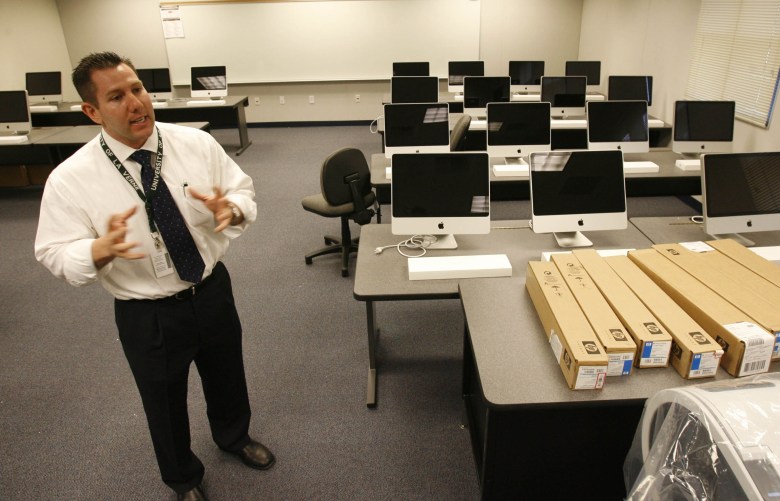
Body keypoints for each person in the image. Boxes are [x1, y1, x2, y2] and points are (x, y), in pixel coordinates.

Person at [34, 52, 273, 501]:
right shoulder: (70, 179)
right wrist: (96, 251)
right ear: (92, 111)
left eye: (137, 89)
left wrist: (233, 208)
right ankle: (182, 479)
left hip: (210, 289)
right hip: (148, 312)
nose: (135, 103)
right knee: (163, 401)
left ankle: (234, 437)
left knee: (227, 374)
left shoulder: (194, 144)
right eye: (116, 97)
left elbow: (242, 189)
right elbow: (52, 252)